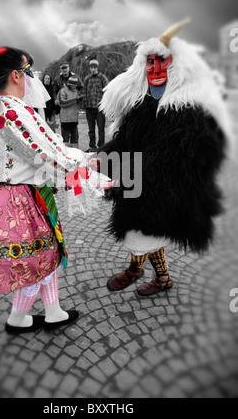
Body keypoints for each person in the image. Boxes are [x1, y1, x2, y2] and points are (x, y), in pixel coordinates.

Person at [0, 46, 111, 334]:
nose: (32, 79)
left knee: (46, 253)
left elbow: (45, 151)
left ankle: (52, 312)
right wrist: (88, 171)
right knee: (37, 259)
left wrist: (81, 162)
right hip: (16, 199)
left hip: (13, 195)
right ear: (15, 75)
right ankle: (21, 318)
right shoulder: (9, 111)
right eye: (28, 72)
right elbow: (44, 155)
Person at [98, 18, 232, 297]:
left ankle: (151, 275)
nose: (156, 68)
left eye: (163, 61)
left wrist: (126, 178)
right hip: (136, 182)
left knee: (144, 232)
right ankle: (148, 273)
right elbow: (126, 140)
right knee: (138, 230)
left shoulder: (189, 107)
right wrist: (103, 158)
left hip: (163, 189)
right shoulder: (142, 101)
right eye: (151, 62)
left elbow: (174, 158)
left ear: (176, 65)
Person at [83, 59, 109, 152]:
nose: (93, 69)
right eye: (91, 67)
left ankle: (101, 146)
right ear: (90, 68)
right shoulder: (87, 78)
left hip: (100, 108)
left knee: (101, 129)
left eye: (94, 67)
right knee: (91, 129)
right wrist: (85, 105)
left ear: (97, 68)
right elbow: (84, 92)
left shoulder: (102, 77)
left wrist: (104, 103)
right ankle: (92, 146)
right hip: (89, 108)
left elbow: (107, 89)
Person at [57, 75, 81, 148]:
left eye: (75, 85)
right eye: (72, 85)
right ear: (69, 83)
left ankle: (76, 155)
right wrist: (75, 100)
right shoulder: (62, 91)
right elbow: (62, 103)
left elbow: (78, 103)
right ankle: (66, 155)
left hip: (74, 120)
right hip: (65, 120)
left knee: (75, 139)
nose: (74, 87)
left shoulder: (77, 91)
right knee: (65, 140)